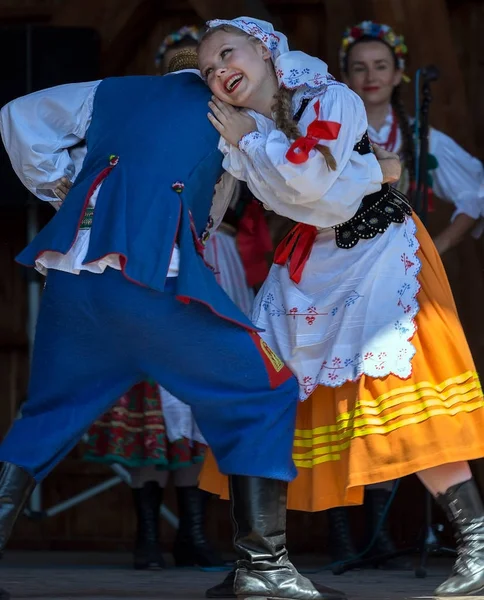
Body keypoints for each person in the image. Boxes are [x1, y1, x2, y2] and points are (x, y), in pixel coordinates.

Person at [0, 60, 345, 600]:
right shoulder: (230, 113)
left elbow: (19, 113)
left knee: (44, 417)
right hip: (148, 282)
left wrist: (58, 188)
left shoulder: (112, 92)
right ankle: (263, 567)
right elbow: (293, 190)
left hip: (73, 282)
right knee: (263, 391)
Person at [197, 16, 484, 598]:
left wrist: (249, 141)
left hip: (378, 252)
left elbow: (306, 180)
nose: (219, 69)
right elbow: (229, 196)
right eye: (207, 69)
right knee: (268, 385)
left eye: (228, 52)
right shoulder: (243, 126)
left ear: (266, 49)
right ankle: (263, 559)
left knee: (402, 392)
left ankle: (478, 547)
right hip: (312, 256)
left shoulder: (328, 96)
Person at [81, 38, 228, 573]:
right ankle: (147, 537)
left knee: (190, 406)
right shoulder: (137, 132)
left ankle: (191, 534)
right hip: (142, 273)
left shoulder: (225, 133)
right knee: (149, 405)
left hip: (202, 269)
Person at [340, 20, 484, 255]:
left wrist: (431, 252)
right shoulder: (333, 137)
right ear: (346, 77)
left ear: (397, 75)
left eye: (380, 66)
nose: (370, 76)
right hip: (344, 264)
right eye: (359, 68)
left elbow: (474, 194)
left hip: (400, 265)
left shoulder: (421, 138)